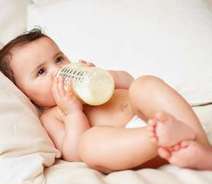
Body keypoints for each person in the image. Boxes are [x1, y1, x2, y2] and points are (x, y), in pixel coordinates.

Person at [0, 28, 209, 173]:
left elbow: (129, 82)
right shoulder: (52, 116)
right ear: (24, 94)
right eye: (42, 71)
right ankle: (159, 137)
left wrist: (105, 76)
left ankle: (200, 149)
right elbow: (74, 154)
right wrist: (74, 113)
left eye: (59, 59)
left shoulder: (91, 82)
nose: (58, 71)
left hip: (153, 116)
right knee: (88, 144)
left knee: (144, 84)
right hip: (133, 148)